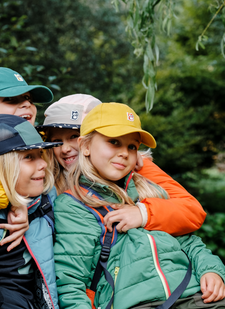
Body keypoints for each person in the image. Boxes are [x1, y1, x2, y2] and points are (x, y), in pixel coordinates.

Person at [53, 102, 225, 309]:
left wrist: (212, 270)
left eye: (132, 146)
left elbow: (189, 242)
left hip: (190, 292)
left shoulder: (149, 188)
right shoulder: (74, 204)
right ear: (85, 146)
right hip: (130, 305)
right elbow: (70, 279)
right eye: (114, 142)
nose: (124, 153)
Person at [37, 94, 206, 235]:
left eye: (74, 136)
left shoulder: (134, 166)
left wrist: (143, 212)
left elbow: (192, 211)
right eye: (56, 141)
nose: (66, 148)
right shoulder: (46, 174)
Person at [0, 67, 54, 309]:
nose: (26, 107)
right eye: (12, 100)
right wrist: (9, 196)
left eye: (29, 100)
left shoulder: (40, 160)